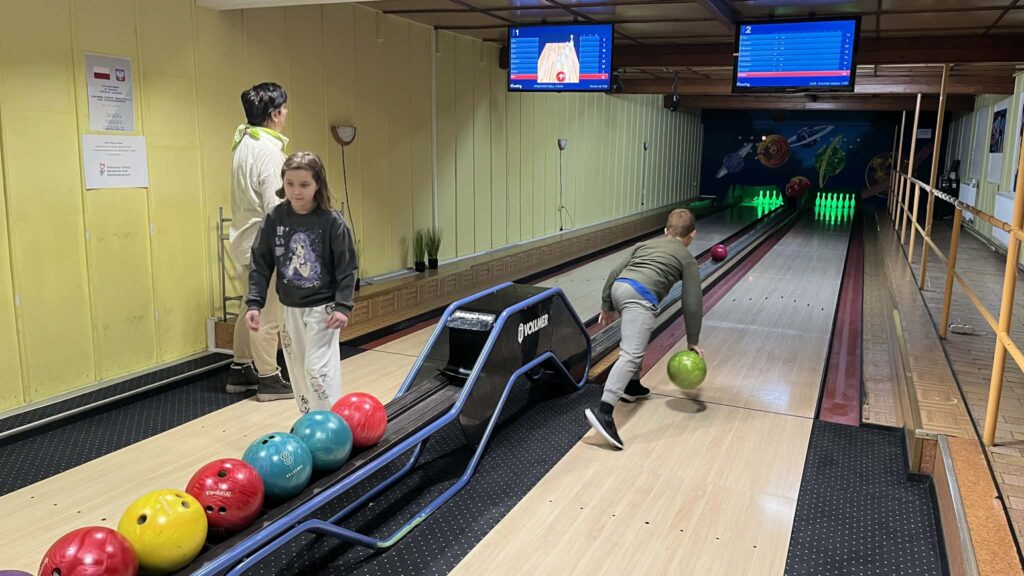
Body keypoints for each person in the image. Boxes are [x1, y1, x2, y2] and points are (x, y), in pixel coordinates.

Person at [245, 151, 358, 414]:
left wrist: (343, 306)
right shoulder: (275, 218)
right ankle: (309, 420)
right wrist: (254, 303)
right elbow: (260, 263)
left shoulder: (331, 222)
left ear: (318, 184)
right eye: (290, 184)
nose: (296, 191)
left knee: (316, 369)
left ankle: (329, 421)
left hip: (323, 309)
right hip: (290, 308)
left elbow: (347, 266)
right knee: (297, 369)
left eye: (304, 184)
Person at [584, 208, 706, 450]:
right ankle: (604, 410)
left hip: (620, 288)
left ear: (665, 230)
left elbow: (614, 271)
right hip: (640, 297)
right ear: (692, 235)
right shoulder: (686, 258)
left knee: (637, 338)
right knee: (631, 353)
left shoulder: (644, 245)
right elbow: (692, 301)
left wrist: (606, 305)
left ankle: (631, 385)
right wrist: (693, 341)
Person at [226, 82, 293, 401]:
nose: (287, 113)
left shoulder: (244, 144)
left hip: (246, 241)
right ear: (275, 114)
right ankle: (268, 378)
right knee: (268, 315)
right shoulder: (268, 152)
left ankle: (241, 368)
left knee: (250, 307)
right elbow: (276, 206)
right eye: (285, 108)